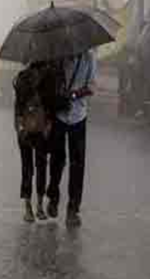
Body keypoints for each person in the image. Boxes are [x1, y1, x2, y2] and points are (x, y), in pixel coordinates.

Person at [46, 50, 96, 228]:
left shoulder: (89, 58)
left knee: (77, 164)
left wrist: (74, 94)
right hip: (59, 115)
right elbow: (50, 83)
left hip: (78, 116)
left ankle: (73, 209)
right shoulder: (58, 56)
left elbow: (91, 87)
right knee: (56, 160)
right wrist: (58, 91)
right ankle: (53, 197)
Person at [13, 60, 54, 222]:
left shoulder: (44, 79)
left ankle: (34, 206)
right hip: (32, 128)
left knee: (34, 166)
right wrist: (21, 127)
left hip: (34, 128)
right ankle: (33, 206)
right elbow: (19, 106)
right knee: (34, 166)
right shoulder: (27, 78)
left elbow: (50, 106)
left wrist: (47, 125)